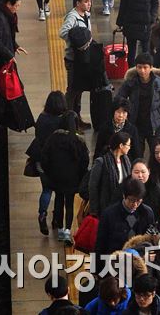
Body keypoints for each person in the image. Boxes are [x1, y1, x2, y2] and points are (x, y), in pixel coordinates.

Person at [40, 111, 90, 243]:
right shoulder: (78, 141)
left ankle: (60, 229)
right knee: (69, 204)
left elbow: (44, 157)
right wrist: (80, 175)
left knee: (58, 200)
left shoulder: (53, 138)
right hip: (72, 179)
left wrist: (49, 172)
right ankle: (68, 230)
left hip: (56, 177)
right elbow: (84, 161)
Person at [114, 51, 160, 156]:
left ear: (151, 67)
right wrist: (125, 113)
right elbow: (119, 98)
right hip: (136, 124)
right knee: (136, 154)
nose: (142, 71)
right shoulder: (131, 82)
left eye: (145, 67)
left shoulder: (159, 82)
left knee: (158, 154)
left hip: (155, 124)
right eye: (139, 67)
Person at [94, 176, 155, 258]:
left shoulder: (147, 213)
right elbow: (100, 244)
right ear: (124, 196)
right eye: (131, 200)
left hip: (139, 259)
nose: (135, 204)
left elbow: (150, 240)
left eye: (138, 201)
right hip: (114, 258)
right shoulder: (109, 214)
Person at [34, 91, 67, 236]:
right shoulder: (62, 121)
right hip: (59, 163)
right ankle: (56, 220)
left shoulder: (41, 118)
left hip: (42, 161)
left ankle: (42, 214)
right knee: (60, 193)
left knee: (46, 190)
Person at [59, 0, 93, 131]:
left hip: (83, 59)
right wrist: (77, 39)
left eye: (90, 1)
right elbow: (63, 32)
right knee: (72, 91)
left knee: (79, 89)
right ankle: (69, 121)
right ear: (78, 3)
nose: (89, 4)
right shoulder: (72, 17)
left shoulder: (86, 15)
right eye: (86, 2)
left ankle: (77, 118)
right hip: (73, 60)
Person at [116, 0, 160, 68]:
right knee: (131, 51)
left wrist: (152, 17)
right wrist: (120, 22)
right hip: (131, 23)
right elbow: (123, 4)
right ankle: (131, 70)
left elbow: (155, 3)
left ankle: (146, 69)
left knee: (146, 50)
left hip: (145, 24)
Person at [89, 131, 132, 218]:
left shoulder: (126, 161)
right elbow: (93, 187)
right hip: (105, 207)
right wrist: (94, 210)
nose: (129, 148)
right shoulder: (101, 162)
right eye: (128, 145)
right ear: (121, 145)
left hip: (122, 207)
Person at [0, 0, 26, 64]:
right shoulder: (0, 18)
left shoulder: (8, 15)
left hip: (8, 55)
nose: (17, 9)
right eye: (16, 6)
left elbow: (7, 36)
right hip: (3, 59)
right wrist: (9, 55)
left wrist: (15, 45)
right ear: (8, 4)